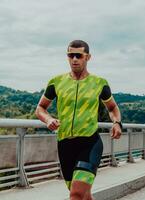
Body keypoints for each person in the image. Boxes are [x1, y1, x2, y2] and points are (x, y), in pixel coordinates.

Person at [35, 40, 122, 200]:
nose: (74, 59)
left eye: (79, 55)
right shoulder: (56, 82)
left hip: (89, 143)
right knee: (83, 195)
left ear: (87, 57)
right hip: (65, 145)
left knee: (76, 194)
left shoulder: (99, 83)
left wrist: (116, 123)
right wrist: (48, 120)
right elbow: (40, 108)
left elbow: (112, 108)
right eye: (70, 55)